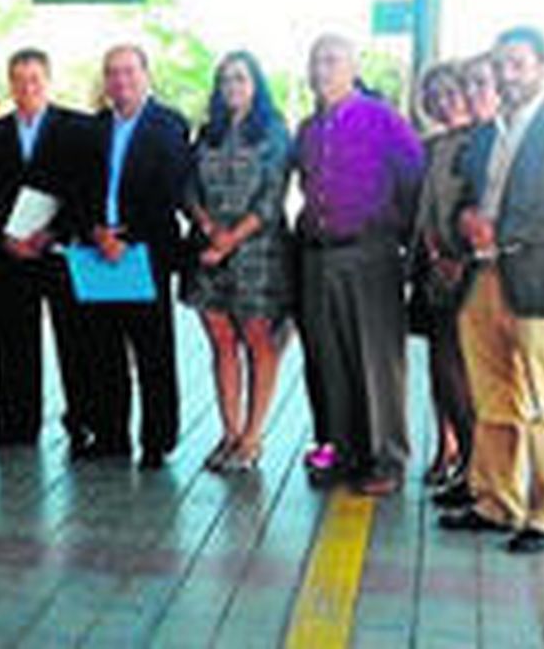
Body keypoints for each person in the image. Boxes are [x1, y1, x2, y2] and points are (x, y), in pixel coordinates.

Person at [439, 27, 544, 554]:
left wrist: (505, 231)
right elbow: (468, 193)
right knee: (494, 399)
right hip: (482, 279)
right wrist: (464, 219)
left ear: (542, 66)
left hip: (542, 286)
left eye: (518, 65)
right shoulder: (487, 133)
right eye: (502, 65)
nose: (508, 76)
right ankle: (496, 502)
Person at [293, 35, 424, 495]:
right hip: (318, 256)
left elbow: (415, 178)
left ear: (353, 68)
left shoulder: (383, 118)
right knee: (327, 359)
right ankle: (342, 452)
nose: (322, 69)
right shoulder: (308, 128)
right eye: (316, 61)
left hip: (371, 254)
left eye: (332, 60)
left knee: (377, 360)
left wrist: (398, 243)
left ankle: (386, 458)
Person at [75, 46, 194, 470]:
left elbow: (171, 191)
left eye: (128, 71)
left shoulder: (169, 125)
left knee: (152, 351)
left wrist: (128, 236)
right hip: (97, 251)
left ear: (146, 75)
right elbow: (80, 188)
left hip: (143, 251)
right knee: (103, 352)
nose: (120, 80)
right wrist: (95, 230)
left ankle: (156, 440)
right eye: (112, 73)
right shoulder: (94, 128)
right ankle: (111, 436)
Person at [0, 48, 95, 448]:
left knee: (75, 341)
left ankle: (81, 421)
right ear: (9, 85)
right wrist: (6, 236)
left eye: (35, 80)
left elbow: (84, 189)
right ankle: (17, 423)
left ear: (48, 81)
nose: (27, 87)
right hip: (11, 255)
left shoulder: (78, 128)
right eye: (20, 80)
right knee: (13, 340)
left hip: (59, 251)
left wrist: (52, 232)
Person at [181, 51, 293, 474]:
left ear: (256, 84)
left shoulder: (274, 131)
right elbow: (188, 187)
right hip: (208, 248)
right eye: (225, 80)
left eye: (241, 79)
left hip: (258, 252)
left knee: (258, 340)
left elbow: (272, 196)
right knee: (221, 341)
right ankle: (228, 432)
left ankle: (252, 435)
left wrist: (231, 238)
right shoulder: (206, 133)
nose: (232, 87)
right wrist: (207, 226)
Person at [408, 62, 476, 492]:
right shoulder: (433, 145)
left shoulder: (482, 141)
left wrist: (459, 257)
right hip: (431, 268)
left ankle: (475, 461)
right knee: (440, 365)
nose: (443, 101)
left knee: (463, 369)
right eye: (434, 95)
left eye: (451, 92)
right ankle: (447, 446)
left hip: (468, 268)